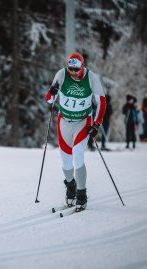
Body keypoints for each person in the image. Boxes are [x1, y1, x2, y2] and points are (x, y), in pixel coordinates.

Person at [45, 52, 106, 212]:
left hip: (82, 121)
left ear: (82, 67)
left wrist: (97, 124)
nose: (73, 72)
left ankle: (81, 193)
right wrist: (52, 92)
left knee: (78, 155)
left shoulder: (90, 77)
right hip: (64, 121)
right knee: (66, 162)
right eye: (70, 69)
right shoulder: (61, 74)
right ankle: (70, 186)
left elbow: (102, 102)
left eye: (76, 70)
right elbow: (49, 100)